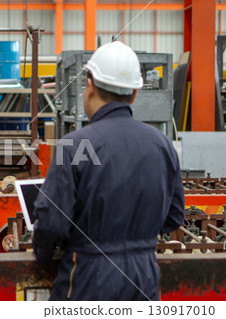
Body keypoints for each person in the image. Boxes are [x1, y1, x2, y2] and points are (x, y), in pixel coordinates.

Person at [32, 41, 185, 300]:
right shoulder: (161, 145)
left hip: (89, 277)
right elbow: (174, 216)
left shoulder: (75, 144)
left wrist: (43, 256)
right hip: (144, 277)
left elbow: (52, 224)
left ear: (89, 87)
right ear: (134, 94)